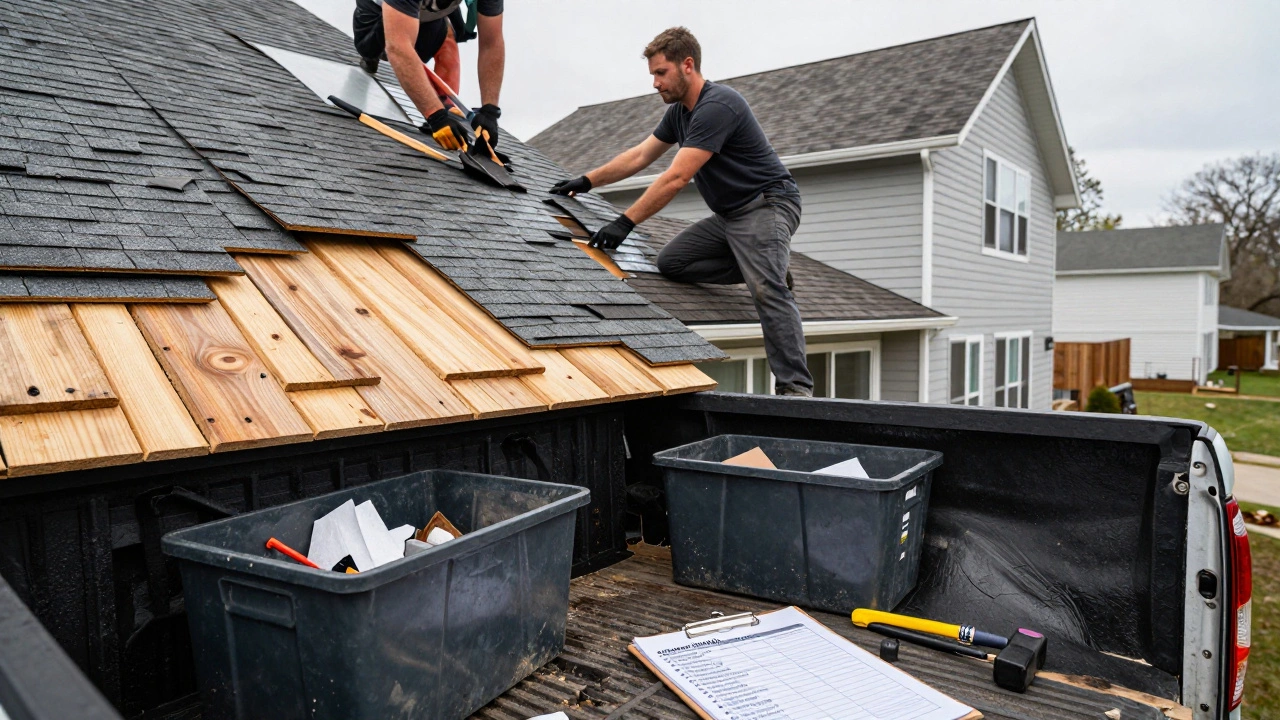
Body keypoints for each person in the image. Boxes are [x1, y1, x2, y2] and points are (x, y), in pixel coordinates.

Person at [549, 27, 812, 396]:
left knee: (767, 291)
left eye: (661, 73)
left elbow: (676, 177)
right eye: (653, 75)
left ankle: (795, 389)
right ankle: (769, 261)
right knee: (673, 263)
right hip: (730, 218)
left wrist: (624, 222)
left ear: (687, 65)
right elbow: (640, 156)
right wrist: (587, 180)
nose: (655, 83)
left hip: (767, 204)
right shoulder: (679, 115)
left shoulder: (719, 105)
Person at [352, 0, 504, 150]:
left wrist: (490, 110)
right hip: (375, 20)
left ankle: (446, 105)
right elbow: (399, 48)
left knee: (448, 38)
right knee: (377, 47)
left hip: (423, 17)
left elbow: (491, 43)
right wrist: (435, 116)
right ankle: (371, 57)